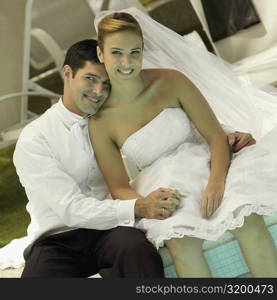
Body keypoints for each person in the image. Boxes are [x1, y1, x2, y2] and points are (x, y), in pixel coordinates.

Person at [89, 8, 277, 278]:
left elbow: (214, 137)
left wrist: (216, 182)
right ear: (100, 54)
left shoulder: (171, 81)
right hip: (164, 182)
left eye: (135, 52)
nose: (127, 62)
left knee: (246, 220)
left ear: (143, 50)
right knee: (181, 243)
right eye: (116, 53)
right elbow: (118, 187)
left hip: (211, 161)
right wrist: (147, 203)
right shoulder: (100, 122)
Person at [0, 39, 185, 278]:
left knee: (138, 252)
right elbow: (70, 208)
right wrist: (139, 206)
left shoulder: (115, 119)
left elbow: (164, 133)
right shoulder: (34, 139)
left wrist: (223, 136)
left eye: (106, 84)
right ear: (67, 73)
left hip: (111, 230)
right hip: (56, 240)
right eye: (90, 79)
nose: (98, 92)